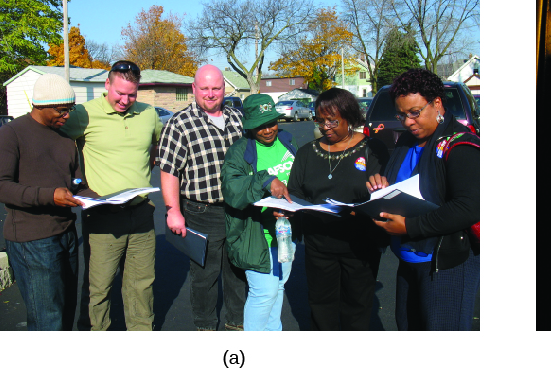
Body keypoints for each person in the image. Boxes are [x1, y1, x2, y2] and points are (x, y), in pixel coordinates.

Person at [367, 68, 480, 331]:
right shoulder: (407, 141)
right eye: (402, 114)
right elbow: (401, 184)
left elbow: (469, 206)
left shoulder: (461, 145)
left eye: (415, 112)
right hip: (408, 260)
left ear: (437, 103)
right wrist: (382, 188)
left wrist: (409, 226)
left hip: (446, 263)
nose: (407, 122)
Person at [61, 61, 163, 331]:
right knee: (99, 288)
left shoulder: (149, 113)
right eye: (119, 93)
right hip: (103, 216)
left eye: (132, 94)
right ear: (107, 85)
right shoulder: (83, 114)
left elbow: (156, 145)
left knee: (142, 286)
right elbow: (55, 144)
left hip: (141, 213)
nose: (125, 100)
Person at [0, 74, 92, 330]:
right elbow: (0, 188)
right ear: (41, 105)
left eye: (70, 109)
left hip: (66, 234)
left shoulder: (65, 138)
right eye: (61, 110)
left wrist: (107, 199)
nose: (67, 116)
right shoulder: (11, 134)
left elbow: (78, 183)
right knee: (48, 319)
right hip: (32, 240)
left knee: (67, 309)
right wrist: (50, 195)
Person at [286, 87, 389, 330]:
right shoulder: (306, 154)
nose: (325, 127)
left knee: (357, 308)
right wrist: (287, 207)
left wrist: (380, 190)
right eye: (320, 120)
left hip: (360, 246)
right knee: (322, 307)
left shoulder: (372, 149)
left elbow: (384, 195)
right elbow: (296, 192)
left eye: (332, 120)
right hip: (319, 246)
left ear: (350, 117)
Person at [158, 64, 247, 331]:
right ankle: (206, 328)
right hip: (201, 211)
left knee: (237, 272)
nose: (210, 94)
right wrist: (173, 210)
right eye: (205, 88)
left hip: (238, 211)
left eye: (216, 88)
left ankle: (236, 325)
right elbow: (169, 170)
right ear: (194, 89)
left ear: (224, 88)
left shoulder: (237, 118)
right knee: (205, 276)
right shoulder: (180, 123)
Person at [221, 94, 297, 331]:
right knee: (263, 293)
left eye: (271, 123)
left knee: (278, 288)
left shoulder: (287, 142)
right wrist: (265, 180)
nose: (268, 130)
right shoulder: (240, 151)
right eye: (260, 125)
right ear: (249, 126)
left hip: (284, 233)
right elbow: (231, 189)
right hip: (255, 235)